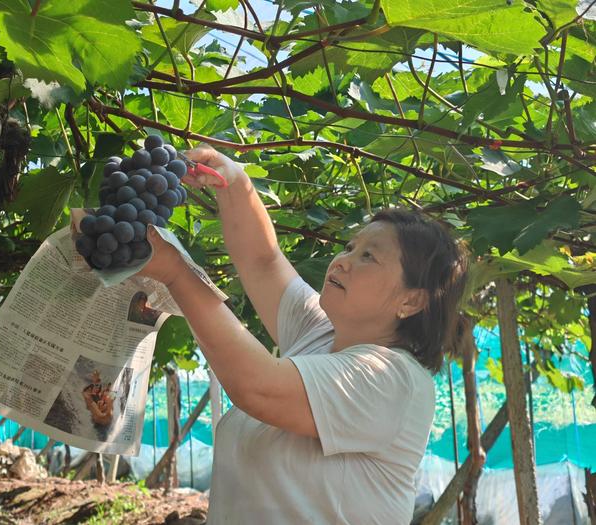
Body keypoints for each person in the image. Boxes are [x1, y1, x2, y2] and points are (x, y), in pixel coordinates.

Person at [139, 144, 469, 524]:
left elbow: (257, 387)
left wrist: (177, 273)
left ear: (411, 301)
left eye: (368, 256)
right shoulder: (321, 333)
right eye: (350, 246)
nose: (343, 260)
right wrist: (231, 181)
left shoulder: (393, 381)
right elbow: (263, 262)